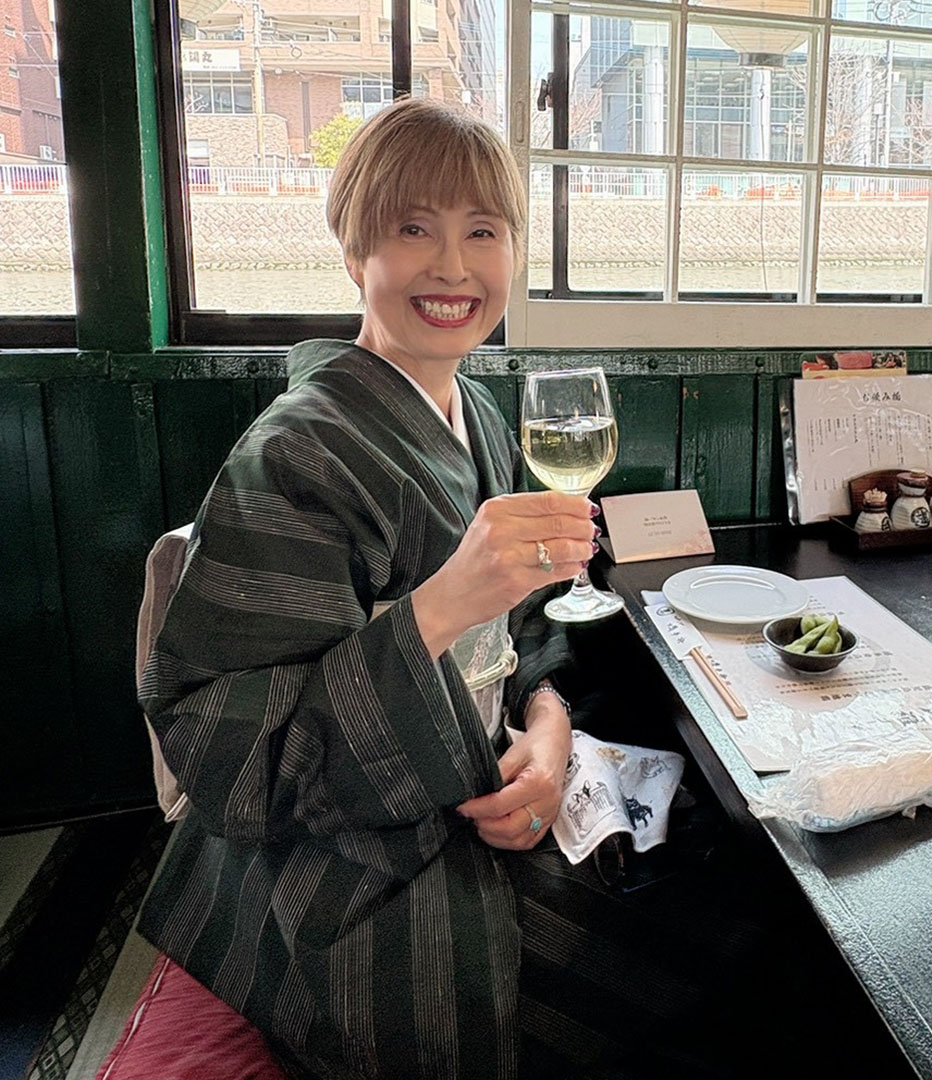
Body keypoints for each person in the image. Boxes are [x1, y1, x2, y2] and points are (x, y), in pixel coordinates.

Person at [136, 99, 818, 1080]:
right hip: (361, 885)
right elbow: (227, 761)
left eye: (483, 232)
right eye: (414, 230)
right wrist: (441, 606)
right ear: (354, 250)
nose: (453, 267)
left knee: (748, 860)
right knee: (739, 942)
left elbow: (526, 630)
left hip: (486, 797)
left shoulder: (483, 416)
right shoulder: (296, 457)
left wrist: (547, 732)